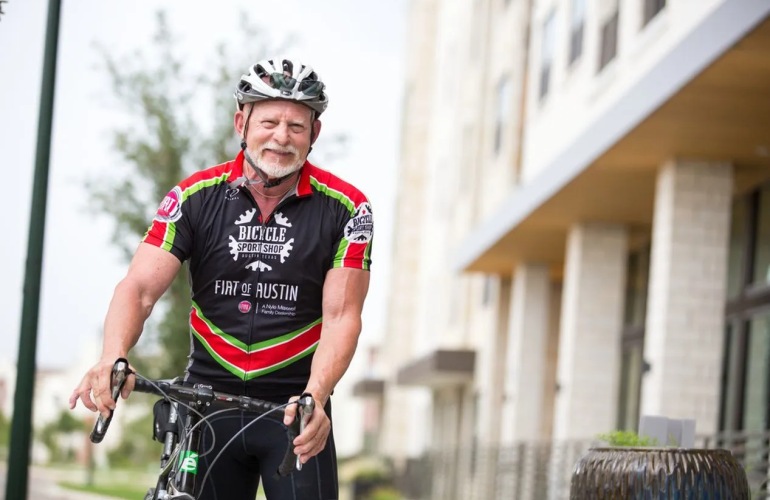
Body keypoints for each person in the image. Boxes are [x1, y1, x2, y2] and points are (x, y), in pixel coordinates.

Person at [69, 57, 373, 499]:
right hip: (206, 401)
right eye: (269, 122)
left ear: (315, 134)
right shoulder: (194, 197)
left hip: (293, 406)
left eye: (297, 126)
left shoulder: (347, 208)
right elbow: (138, 289)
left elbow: (342, 315)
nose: (282, 138)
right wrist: (112, 355)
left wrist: (318, 395)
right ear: (241, 123)